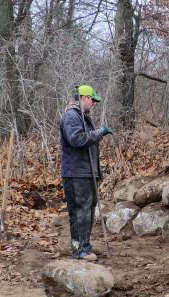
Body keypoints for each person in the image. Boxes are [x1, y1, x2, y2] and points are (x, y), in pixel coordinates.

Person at [60, 85, 113, 261]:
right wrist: (99, 133)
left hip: (85, 172)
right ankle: (81, 249)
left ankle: (82, 246)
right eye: (93, 100)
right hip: (77, 174)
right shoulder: (71, 116)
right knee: (81, 212)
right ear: (84, 98)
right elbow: (77, 139)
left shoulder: (82, 117)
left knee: (86, 210)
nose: (94, 104)